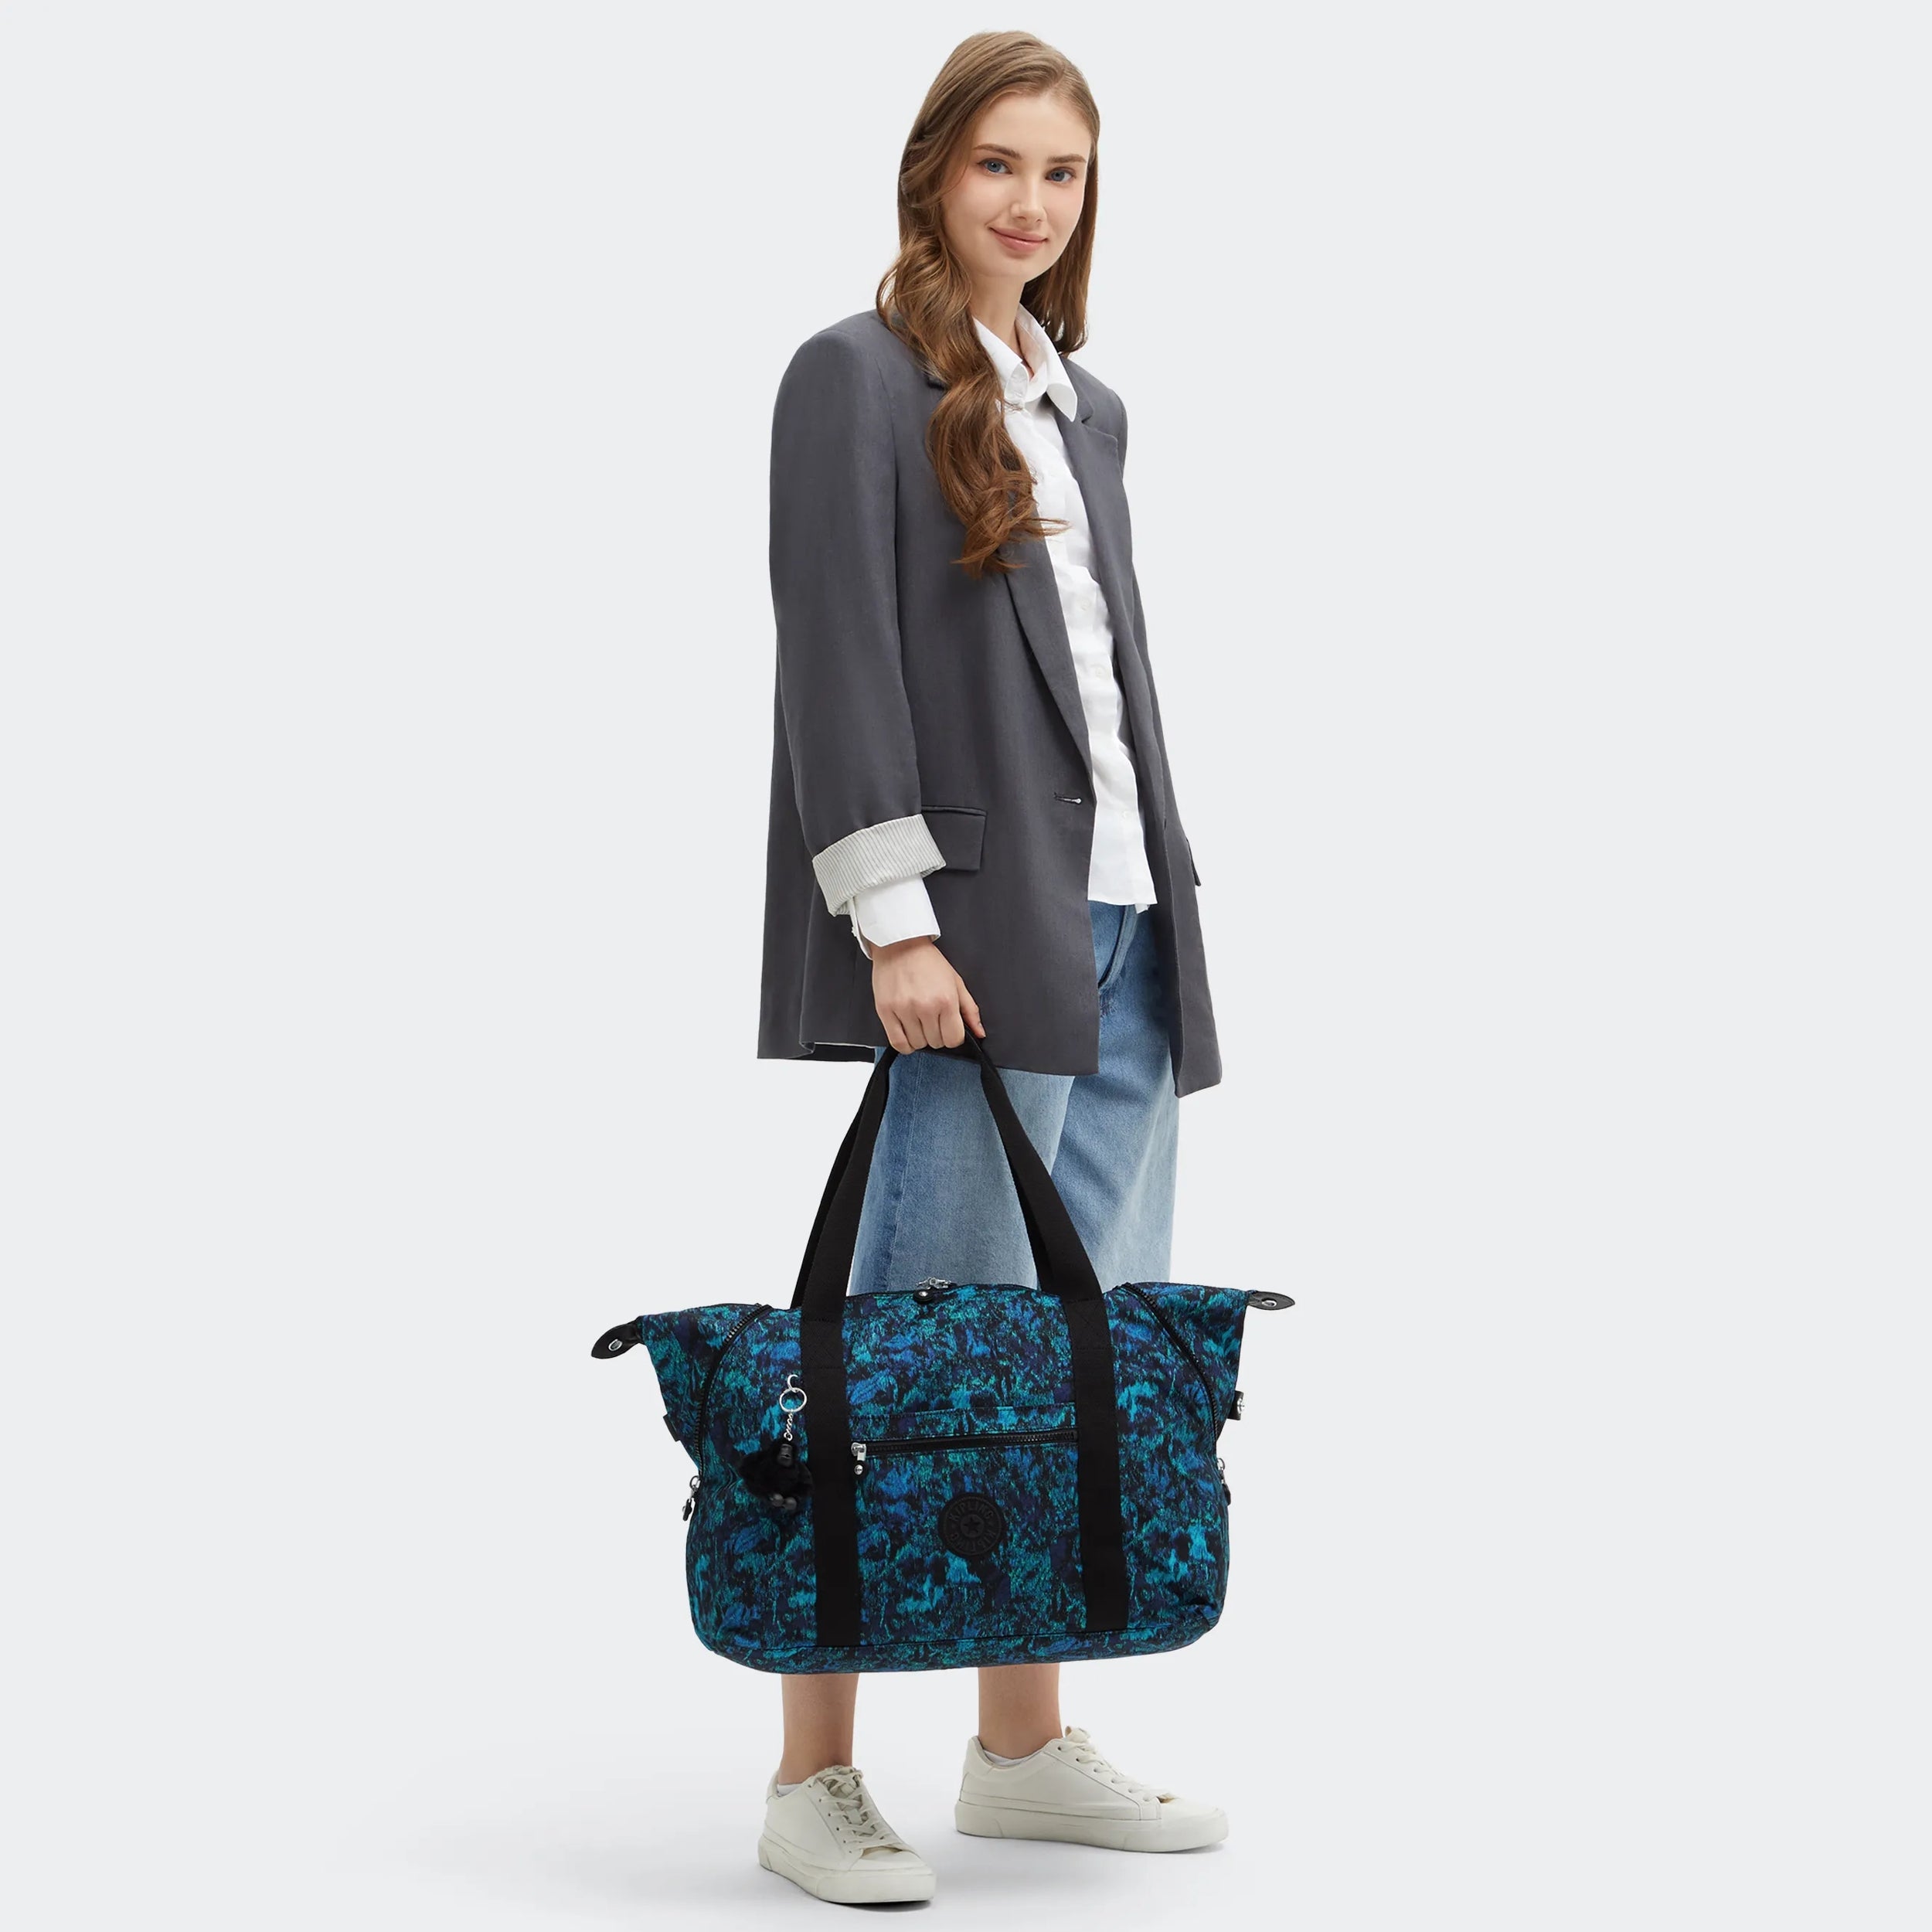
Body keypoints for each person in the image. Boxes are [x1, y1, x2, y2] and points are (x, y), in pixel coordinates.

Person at [754, 31, 1227, 1905]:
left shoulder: (1083, 407)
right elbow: (834, 653)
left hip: (1122, 925)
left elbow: (1098, 682)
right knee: (905, 1347)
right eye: (997, 165)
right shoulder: (850, 378)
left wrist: (1161, 898)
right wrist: (893, 918)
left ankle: (1018, 1748)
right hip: (967, 930)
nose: (1030, 203)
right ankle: (809, 1773)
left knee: (1063, 1345)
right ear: (931, 175)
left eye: (1062, 172)